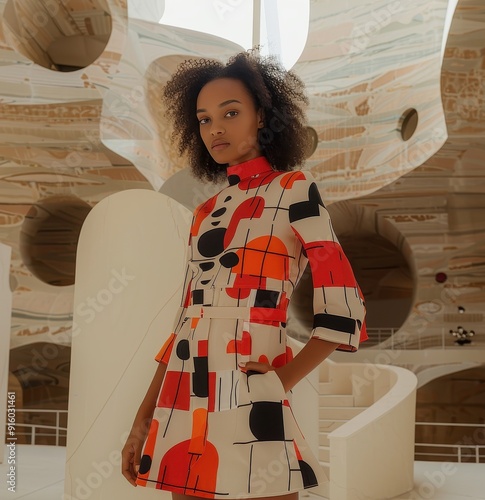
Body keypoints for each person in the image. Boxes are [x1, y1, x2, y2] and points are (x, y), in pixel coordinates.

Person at [121, 49, 367, 500]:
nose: (215, 128)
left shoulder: (295, 190)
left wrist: (282, 380)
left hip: (250, 385)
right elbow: (183, 322)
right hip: (184, 392)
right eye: (203, 119)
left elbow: (343, 303)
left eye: (230, 112)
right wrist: (142, 419)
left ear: (262, 116)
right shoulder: (204, 213)